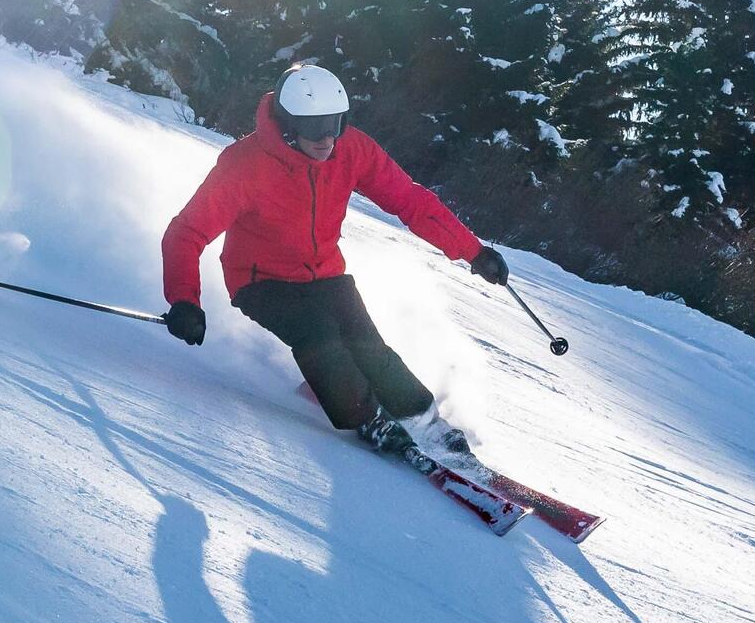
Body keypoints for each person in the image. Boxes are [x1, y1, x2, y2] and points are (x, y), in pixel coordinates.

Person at [159, 63, 509, 455]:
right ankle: (366, 419)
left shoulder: (351, 149)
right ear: (288, 124)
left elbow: (409, 200)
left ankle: (422, 417)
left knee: (367, 343)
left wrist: (473, 251)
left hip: (325, 272)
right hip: (261, 281)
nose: (327, 138)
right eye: (314, 127)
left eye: (336, 123)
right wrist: (185, 300)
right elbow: (186, 232)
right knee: (319, 335)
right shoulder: (244, 165)